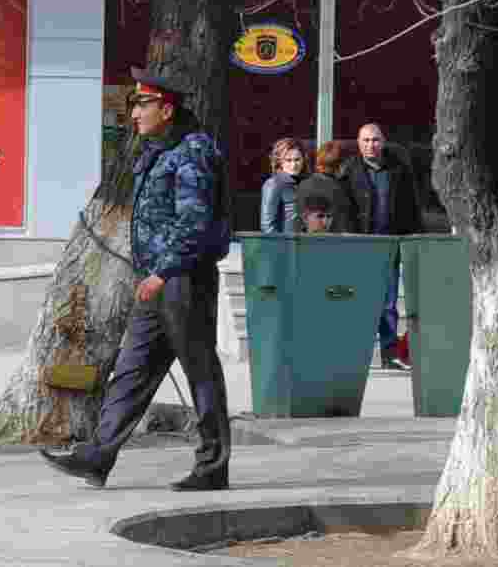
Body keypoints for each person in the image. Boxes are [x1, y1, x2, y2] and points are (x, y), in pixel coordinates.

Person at [40, 66, 232, 491]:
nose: (134, 113)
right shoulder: (159, 150)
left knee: (200, 371)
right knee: (132, 369)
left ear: (166, 108)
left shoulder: (192, 151)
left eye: (142, 104)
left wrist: (163, 272)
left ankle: (212, 466)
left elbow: (194, 222)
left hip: (183, 279)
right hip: (156, 280)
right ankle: (97, 456)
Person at [338, 123, 424, 371]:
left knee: (388, 304)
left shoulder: (398, 170)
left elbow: (411, 207)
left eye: (375, 140)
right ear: (358, 143)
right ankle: (354, 355)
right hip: (360, 246)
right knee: (358, 303)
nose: (370, 145)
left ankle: (389, 354)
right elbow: (342, 209)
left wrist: (414, 238)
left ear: (383, 142)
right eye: (365, 140)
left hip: (390, 245)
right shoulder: (349, 170)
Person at [294, 140, 354, 233]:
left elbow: (298, 220)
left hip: (306, 238)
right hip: (329, 239)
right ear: (341, 165)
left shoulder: (303, 185)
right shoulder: (338, 189)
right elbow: (343, 224)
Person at [260, 137, 306, 234]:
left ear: (303, 159)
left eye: (297, 160)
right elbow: (267, 226)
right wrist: (280, 243)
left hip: (305, 240)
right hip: (286, 241)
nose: (293, 165)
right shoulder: (274, 184)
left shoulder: (305, 182)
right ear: (280, 162)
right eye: (288, 160)